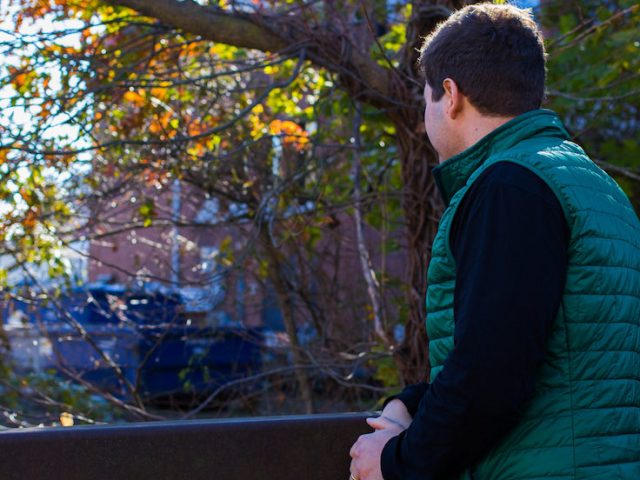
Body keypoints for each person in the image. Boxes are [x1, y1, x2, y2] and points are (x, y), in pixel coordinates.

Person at [349, 3, 640, 480]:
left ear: (451, 95)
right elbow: (558, 353)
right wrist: (411, 403)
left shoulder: (511, 186)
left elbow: (492, 375)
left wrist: (394, 462)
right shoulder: (595, 186)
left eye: (426, 100)